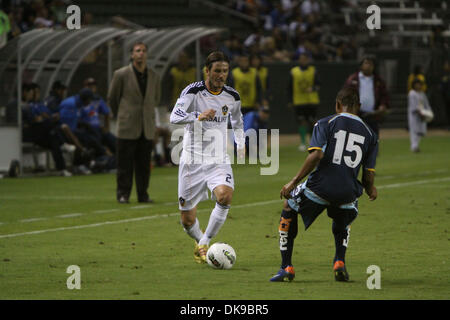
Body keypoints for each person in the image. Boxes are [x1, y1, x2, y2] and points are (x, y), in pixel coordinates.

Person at [270, 87, 378, 283]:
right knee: (343, 215)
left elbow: (317, 154)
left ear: (337, 105)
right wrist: (371, 189)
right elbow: (368, 176)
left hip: (319, 188)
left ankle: (286, 267)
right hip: (348, 193)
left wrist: (294, 181)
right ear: (359, 107)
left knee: (288, 207)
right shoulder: (371, 134)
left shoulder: (325, 123)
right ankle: (339, 262)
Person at [170, 51, 245, 264]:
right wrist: (197, 116)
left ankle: (205, 242)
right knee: (187, 219)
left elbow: (238, 121)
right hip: (191, 161)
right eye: (217, 71)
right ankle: (199, 240)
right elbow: (174, 116)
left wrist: (241, 143)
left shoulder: (232, 96)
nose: (222, 75)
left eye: (225, 71)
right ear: (207, 71)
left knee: (225, 196)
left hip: (217, 160)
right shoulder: (193, 91)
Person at [107, 41, 161, 204]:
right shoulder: (121, 74)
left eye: (144, 51)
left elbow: (155, 99)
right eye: (138, 51)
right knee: (124, 164)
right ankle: (123, 194)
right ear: (132, 54)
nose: (141, 53)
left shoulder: (153, 75)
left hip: (146, 126)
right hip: (127, 125)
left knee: (144, 164)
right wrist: (122, 114)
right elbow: (112, 98)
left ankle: (143, 194)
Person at [344, 56, 389, 138]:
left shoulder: (378, 80)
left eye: (371, 64)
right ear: (361, 65)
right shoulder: (353, 79)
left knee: (373, 140)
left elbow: (384, 95)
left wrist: (383, 105)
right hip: (357, 115)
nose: (368, 66)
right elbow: (346, 94)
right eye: (366, 63)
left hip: (373, 116)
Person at [288, 52, 320, 151]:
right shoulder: (294, 71)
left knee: (312, 122)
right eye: (301, 59)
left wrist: (313, 88)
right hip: (299, 101)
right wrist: (290, 100)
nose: (303, 61)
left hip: (312, 100)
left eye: (305, 59)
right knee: (302, 122)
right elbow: (289, 87)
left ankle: (313, 142)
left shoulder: (313, 71)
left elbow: (318, 84)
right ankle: (302, 142)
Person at [82, 77, 116, 154]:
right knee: (96, 142)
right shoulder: (81, 98)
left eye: (93, 85)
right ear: (84, 86)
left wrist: (106, 128)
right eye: (89, 85)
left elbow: (106, 113)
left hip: (97, 128)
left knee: (112, 140)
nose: (92, 87)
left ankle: (117, 160)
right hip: (86, 129)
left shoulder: (98, 99)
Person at [408, 79, 433, 153]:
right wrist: (420, 113)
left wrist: (428, 113)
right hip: (414, 115)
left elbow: (426, 104)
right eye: (417, 84)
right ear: (414, 85)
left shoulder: (422, 94)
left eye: (420, 84)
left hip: (423, 113)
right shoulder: (412, 93)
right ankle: (414, 147)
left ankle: (416, 146)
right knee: (414, 131)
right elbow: (413, 106)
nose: (418, 85)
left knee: (421, 131)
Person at [440, 60, 450, 129]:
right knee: (447, 111)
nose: (445, 66)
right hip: (446, 96)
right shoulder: (444, 74)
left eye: (446, 65)